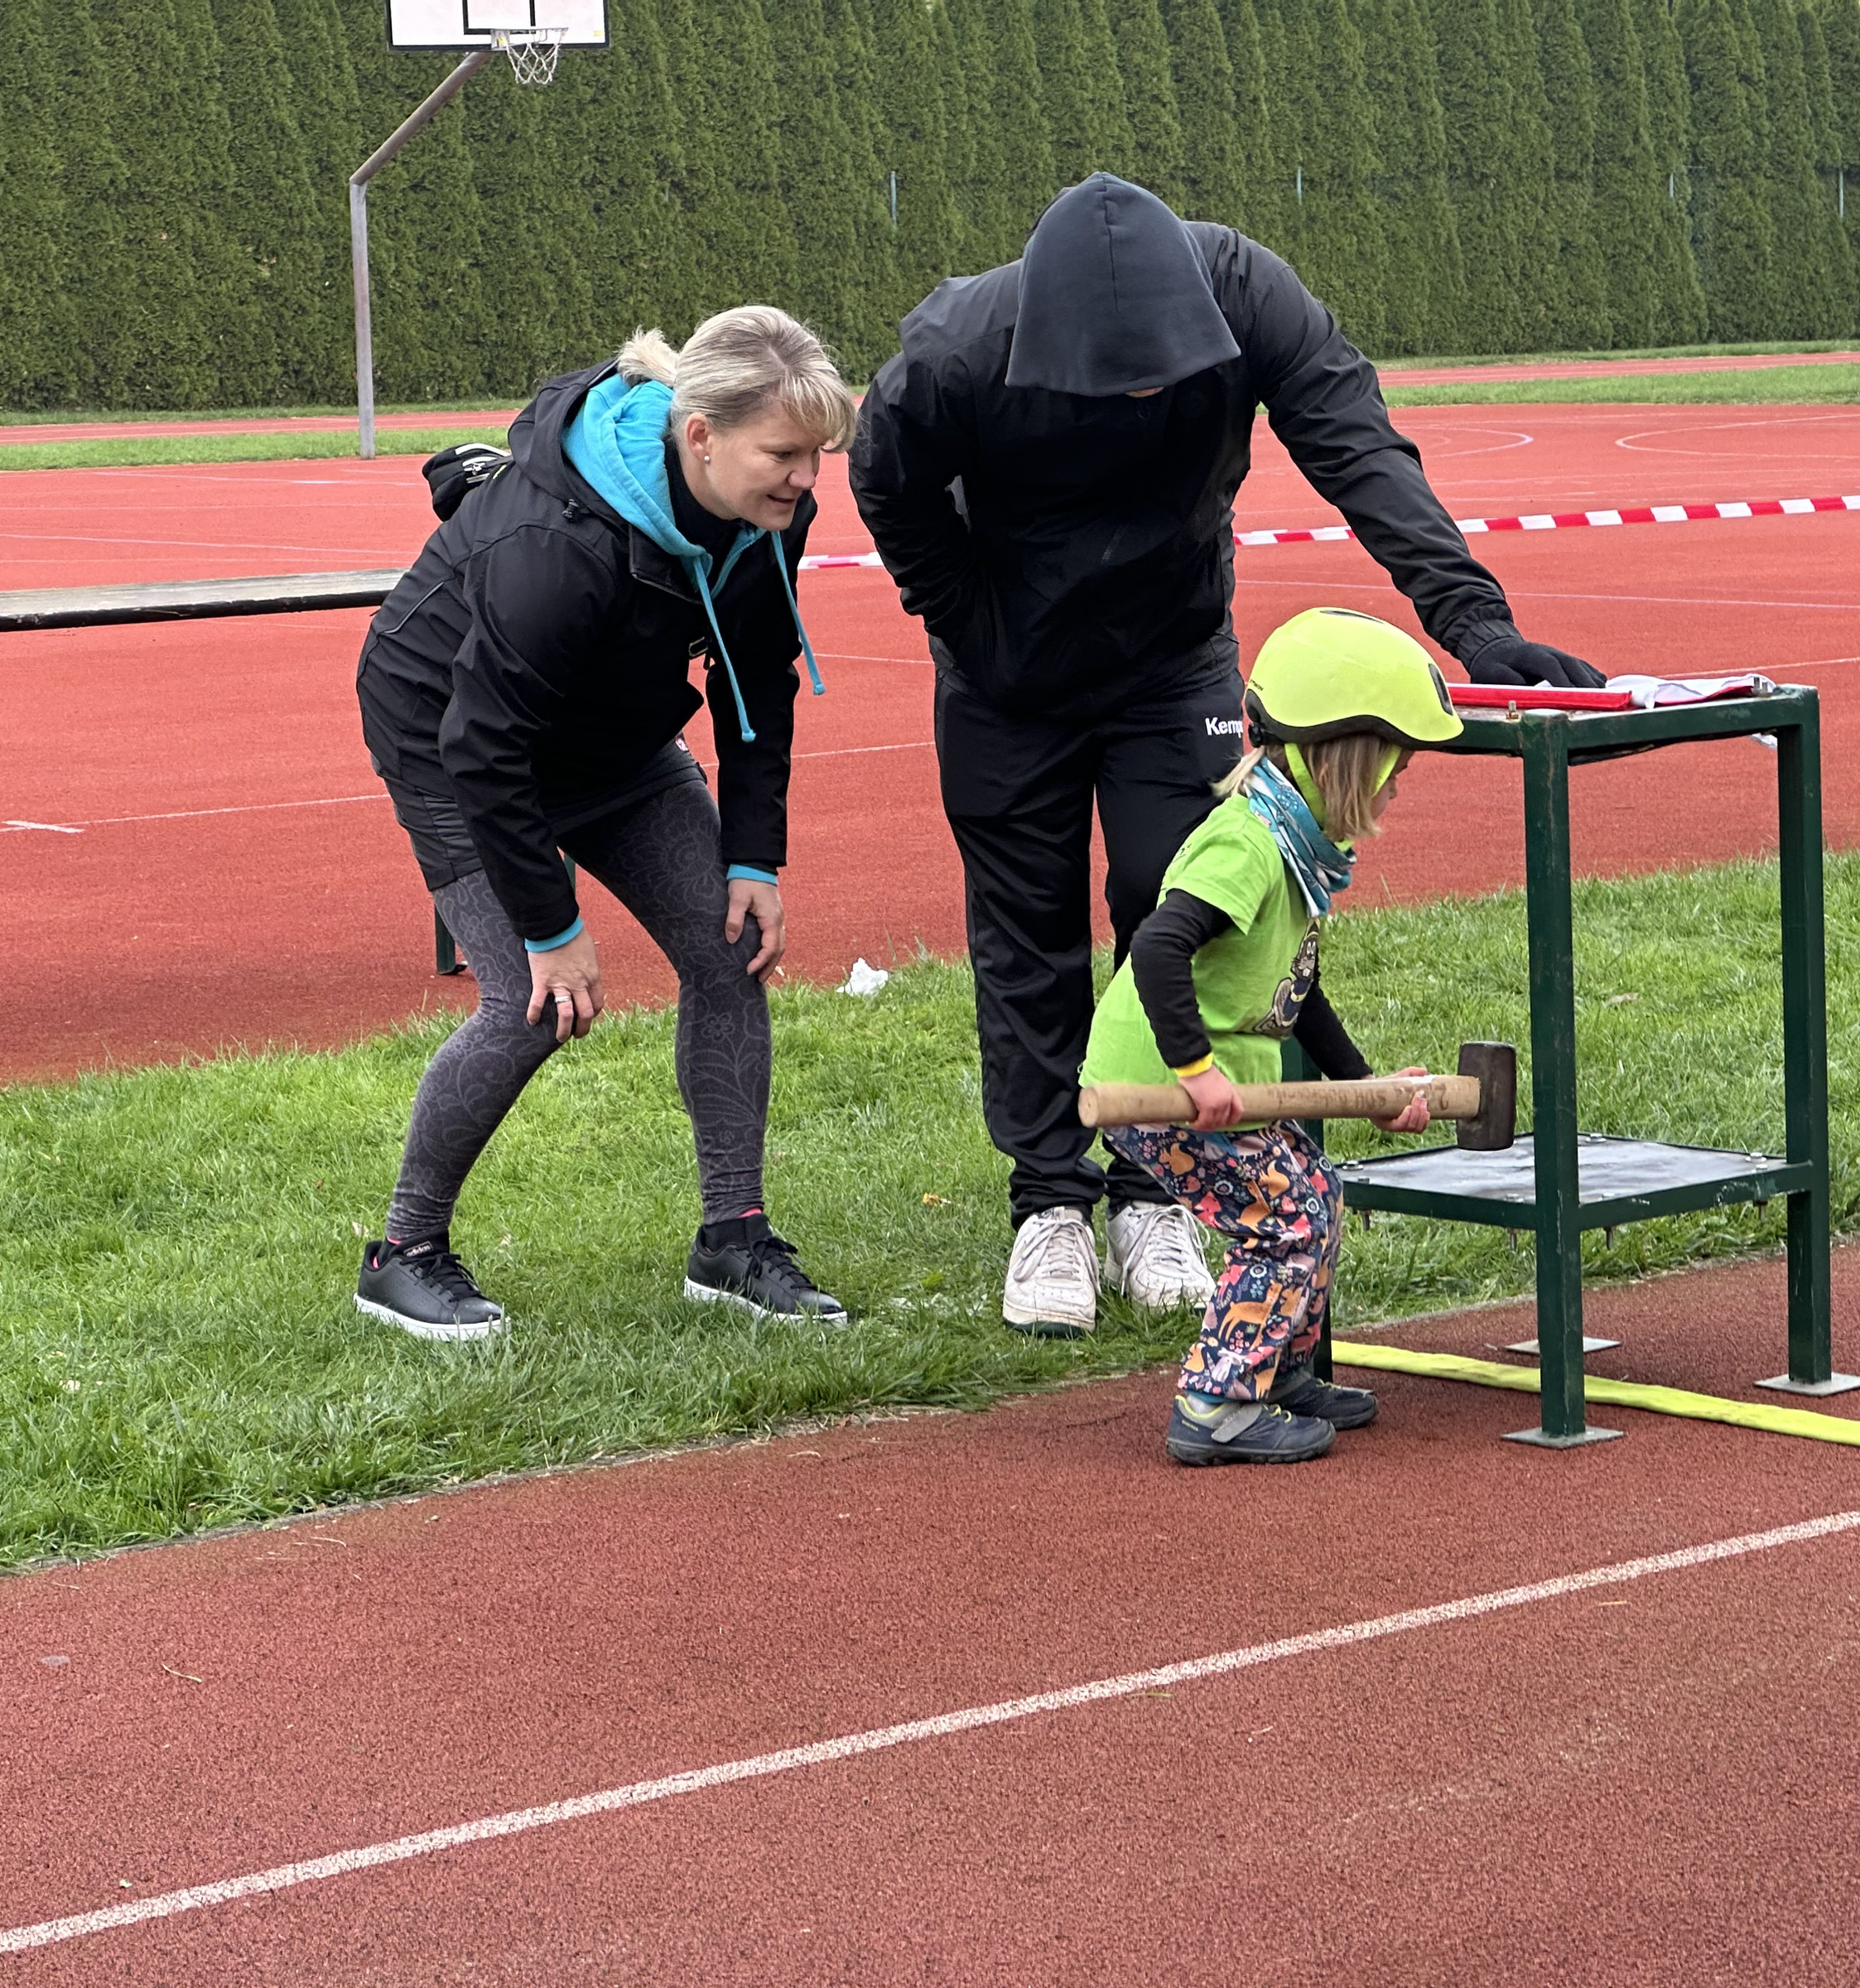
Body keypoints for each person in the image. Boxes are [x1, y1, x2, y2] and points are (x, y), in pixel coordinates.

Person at [850, 171, 1600, 1338]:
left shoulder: (1252, 298)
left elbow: (1359, 449)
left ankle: (1155, 1193)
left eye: (1160, 378)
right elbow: (882, 482)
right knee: (1025, 923)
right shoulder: (956, 353)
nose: (1141, 398)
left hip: (1171, 652)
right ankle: (1048, 1200)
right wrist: (968, 623)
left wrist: (1474, 621)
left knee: (1183, 896)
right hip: (1004, 669)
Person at [351, 307, 855, 1340]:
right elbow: (484, 743)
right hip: (449, 733)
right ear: (700, 434)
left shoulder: (769, 508)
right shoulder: (558, 541)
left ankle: (732, 1240)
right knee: (530, 1003)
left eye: (817, 456)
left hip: (608, 734)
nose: (807, 480)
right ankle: (402, 1255)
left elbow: (759, 677)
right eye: (784, 455)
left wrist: (753, 856)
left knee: (728, 949)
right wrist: (551, 927)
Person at [1080, 607, 1456, 1464]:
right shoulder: (1249, 845)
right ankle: (1214, 1404)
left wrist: (1369, 1090)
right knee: (1285, 1219)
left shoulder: (1294, 847)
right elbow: (1157, 945)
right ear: (1347, 763)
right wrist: (1194, 1070)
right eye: (1395, 771)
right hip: (1160, 1081)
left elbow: (1296, 991)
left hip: (1216, 1078)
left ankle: (1273, 1372)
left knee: (1316, 1192)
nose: (1397, 792)